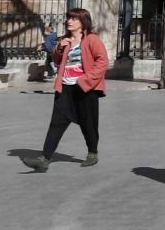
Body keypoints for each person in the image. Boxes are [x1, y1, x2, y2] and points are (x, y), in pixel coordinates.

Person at [22, 9, 107, 171]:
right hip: (65, 88)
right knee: (56, 123)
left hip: (85, 88)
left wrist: (86, 80)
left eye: (74, 19)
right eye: (68, 18)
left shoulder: (92, 39)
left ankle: (92, 152)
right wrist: (59, 48)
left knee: (88, 123)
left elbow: (102, 61)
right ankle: (44, 159)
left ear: (83, 22)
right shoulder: (64, 40)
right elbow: (56, 59)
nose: (69, 21)